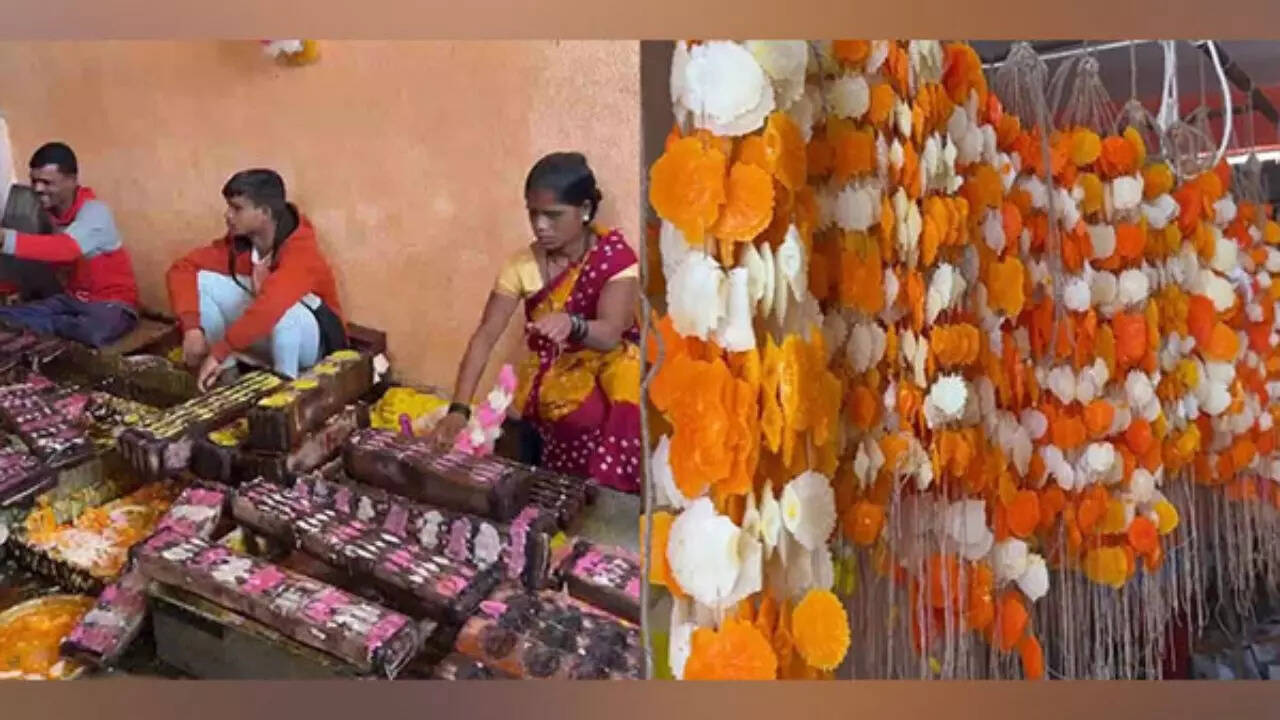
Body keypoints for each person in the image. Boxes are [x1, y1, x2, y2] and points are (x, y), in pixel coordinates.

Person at [432, 152, 641, 494]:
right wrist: (459, 409)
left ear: (585, 210)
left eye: (553, 215)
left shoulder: (615, 259)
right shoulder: (521, 266)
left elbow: (610, 334)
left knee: (601, 401)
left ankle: (607, 496)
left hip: (608, 368)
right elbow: (486, 336)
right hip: (552, 371)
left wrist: (573, 325)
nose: (541, 225)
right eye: (534, 214)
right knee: (532, 412)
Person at [166, 169, 347, 391]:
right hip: (261, 333)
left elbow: (271, 307)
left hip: (308, 345)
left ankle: (285, 392)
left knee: (284, 312)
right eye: (229, 207)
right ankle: (226, 378)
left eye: (237, 208)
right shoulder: (240, 243)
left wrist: (220, 351)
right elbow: (182, 268)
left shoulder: (301, 251)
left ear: (264, 212)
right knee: (201, 281)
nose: (228, 215)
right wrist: (192, 328)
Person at [0, 142, 139, 346]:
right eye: (34, 181)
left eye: (47, 183)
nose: (38, 189)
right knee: (4, 315)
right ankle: (50, 324)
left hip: (112, 304)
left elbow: (66, 249)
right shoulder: (47, 212)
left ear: (72, 181)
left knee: (91, 333)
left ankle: (46, 325)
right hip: (70, 301)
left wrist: (5, 239)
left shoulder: (95, 213)